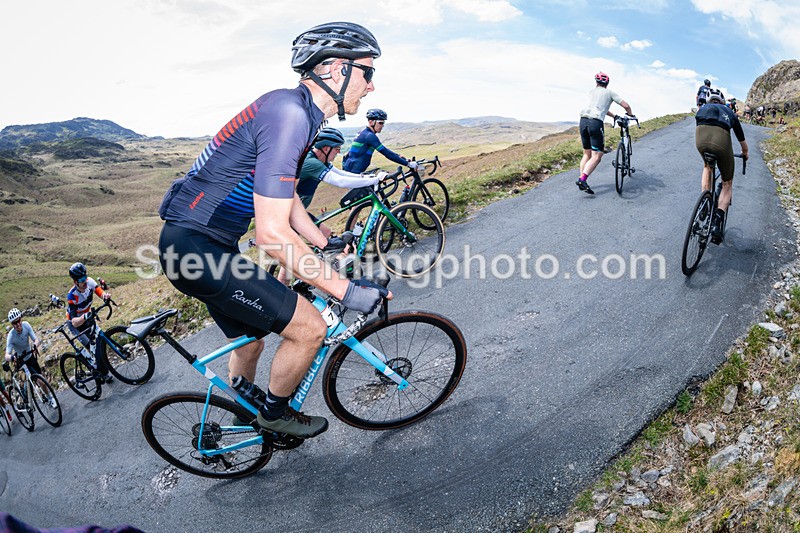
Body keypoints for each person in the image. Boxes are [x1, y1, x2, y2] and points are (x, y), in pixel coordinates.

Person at [157, 22, 391, 439]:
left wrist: (323, 242)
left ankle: (238, 421)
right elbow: (271, 235)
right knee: (310, 329)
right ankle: (273, 416)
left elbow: (285, 198)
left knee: (251, 342)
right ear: (336, 69)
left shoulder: (294, 110)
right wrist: (347, 291)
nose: (371, 87)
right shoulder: (290, 116)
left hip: (196, 246)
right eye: (368, 73)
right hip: (197, 251)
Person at [296, 127, 383, 237]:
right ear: (327, 148)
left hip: (298, 210)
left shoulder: (321, 159)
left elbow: (340, 173)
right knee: (311, 242)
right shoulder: (311, 162)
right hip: (290, 212)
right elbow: (340, 181)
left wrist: (366, 177)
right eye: (337, 149)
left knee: (325, 233)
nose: (339, 152)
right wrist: (375, 180)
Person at [694, 88, 749, 243]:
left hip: (701, 140)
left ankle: (705, 204)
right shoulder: (729, 111)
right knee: (727, 183)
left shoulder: (702, 108)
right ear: (723, 102)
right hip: (721, 143)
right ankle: (717, 223)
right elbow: (742, 141)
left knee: (707, 167)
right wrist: (745, 153)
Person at [576, 71, 633, 194]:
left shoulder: (591, 92)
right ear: (607, 83)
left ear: (596, 82)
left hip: (583, 121)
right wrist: (630, 114)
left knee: (586, 153)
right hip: (595, 123)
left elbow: (601, 108)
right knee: (597, 156)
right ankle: (583, 179)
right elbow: (626, 105)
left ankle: (582, 179)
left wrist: (614, 116)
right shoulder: (610, 93)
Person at [65, 262, 114, 382]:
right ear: (75, 282)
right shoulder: (72, 296)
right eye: (81, 279)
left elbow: (99, 292)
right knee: (90, 346)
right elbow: (75, 322)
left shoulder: (90, 282)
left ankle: (102, 370)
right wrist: (85, 316)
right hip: (75, 324)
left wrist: (105, 296)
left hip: (88, 317)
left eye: (85, 276)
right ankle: (95, 369)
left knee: (99, 342)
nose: (85, 281)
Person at [342, 108, 418, 174]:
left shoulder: (364, 132)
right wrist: (408, 164)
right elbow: (386, 153)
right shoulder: (369, 136)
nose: (383, 125)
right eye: (380, 123)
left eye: (383, 123)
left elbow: (386, 150)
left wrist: (400, 157)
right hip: (354, 172)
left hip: (353, 169)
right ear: (371, 122)